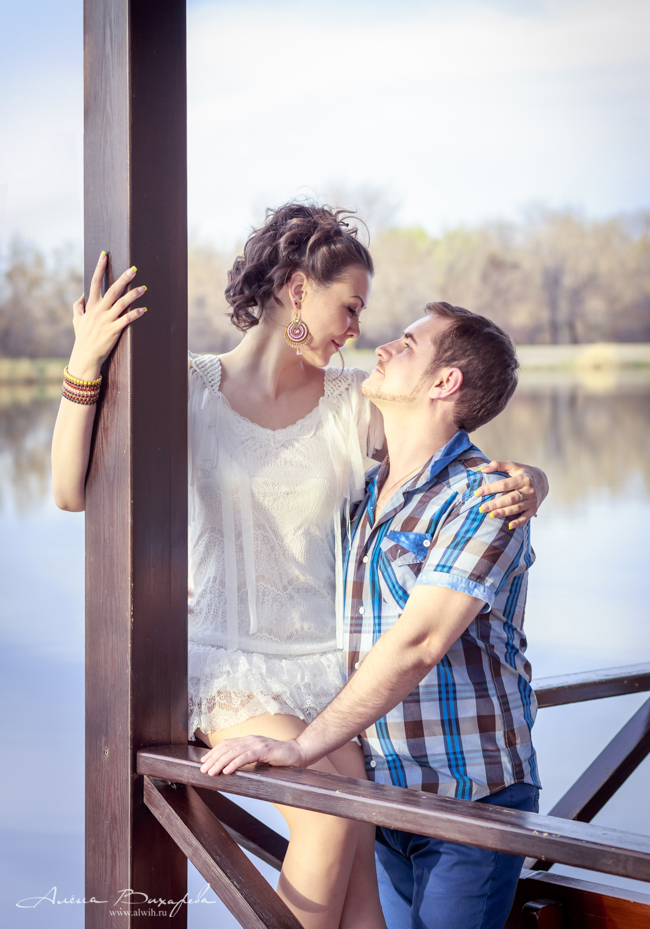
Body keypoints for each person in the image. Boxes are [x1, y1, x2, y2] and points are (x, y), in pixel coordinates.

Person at [52, 204, 546, 929]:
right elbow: (70, 492)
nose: (356, 330)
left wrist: (533, 477)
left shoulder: (354, 406)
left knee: (355, 851)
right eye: (348, 306)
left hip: (333, 675)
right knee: (327, 818)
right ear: (293, 288)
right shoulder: (188, 387)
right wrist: (85, 362)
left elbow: (448, 444)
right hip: (231, 666)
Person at [199, 301, 542, 929]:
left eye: (407, 343)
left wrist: (303, 749)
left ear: (445, 382)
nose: (383, 346)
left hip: (466, 799)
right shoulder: (364, 491)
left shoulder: (484, 501)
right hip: (380, 793)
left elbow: (421, 643)